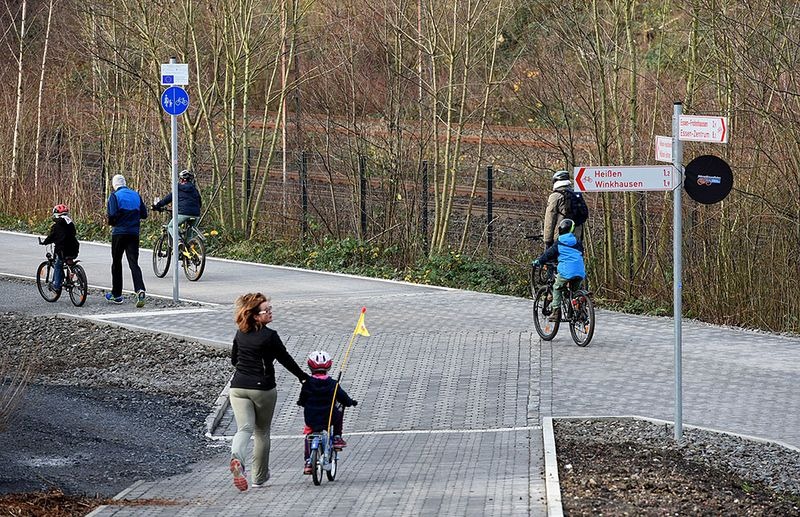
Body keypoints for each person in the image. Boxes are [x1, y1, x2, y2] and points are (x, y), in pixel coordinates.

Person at [229, 293, 309, 491]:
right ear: (256, 316)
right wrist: (302, 376)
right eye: (267, 310)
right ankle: (259, 477)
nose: (271, 312)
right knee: (261, 432)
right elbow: (285, 358)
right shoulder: (269, 336)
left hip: (237, 388)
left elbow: (234, 359)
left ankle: (237, 459)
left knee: (244, 429)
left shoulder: (240, 333)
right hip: (262, 389)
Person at [297, 350, 358, 475]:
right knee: (340, 407)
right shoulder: (333, 384)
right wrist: (350, 402)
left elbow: (302, 399)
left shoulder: (307, 383)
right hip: (329, 417)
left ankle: (308, 461)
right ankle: (337, 436)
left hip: (312, 418)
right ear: (329, 366)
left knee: (309, 435)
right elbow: (343, 398)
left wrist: (301, 402)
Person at [106, 174, 148, 308]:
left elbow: (112, 214)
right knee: (134, 263)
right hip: (134, 233)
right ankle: (140, 289)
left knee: (116, 263)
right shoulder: (136, 195)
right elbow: (144, 214)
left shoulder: (114, 196)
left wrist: (113, 222)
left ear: (114, 185)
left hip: (119, 233)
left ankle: (116, 294)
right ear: (125, 183)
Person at [533, 218, 586, 322]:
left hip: (566, 271)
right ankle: (579, 308)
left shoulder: (559, 243)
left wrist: (539, 261)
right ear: (572, 230)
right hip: (580, 271)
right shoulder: (577, 242)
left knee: (557, 288)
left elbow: (548, 254)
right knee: (574, 291)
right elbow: (580, 253)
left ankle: (556, 312)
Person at [151, 169, 202, 245]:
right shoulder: (195, 189)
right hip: (196, 214)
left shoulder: (178, 188)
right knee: (190, 232)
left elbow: (167, 199)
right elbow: (200, 202)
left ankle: (178, 241)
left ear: (181, 179)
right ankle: (189, 249)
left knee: (171, 226)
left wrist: (157, 206)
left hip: (183, 213)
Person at [40, 204, 80, 293]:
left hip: (63, 249)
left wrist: (45, 242)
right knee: (69, 261)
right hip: (74, 247)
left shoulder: (57, 225)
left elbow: (52, 236)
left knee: (58, 265)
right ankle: (77, 276)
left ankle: (57, 285)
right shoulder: (70, 223)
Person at [543, 170, 585, 248]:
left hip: (561, 238)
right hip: (576, 237)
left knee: (560, 259)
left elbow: (550, 219)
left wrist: (547, 240)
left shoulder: (555, 196)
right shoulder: (576, 194)